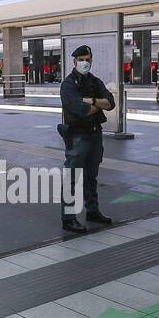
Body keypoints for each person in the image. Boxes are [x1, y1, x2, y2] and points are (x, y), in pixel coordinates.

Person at [59, 44, 115, 233]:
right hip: (77, 135)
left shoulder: (95, 81)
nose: (84, 63)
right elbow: (81, 110)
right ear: (74, 61)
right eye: (81, 60)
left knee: (91, 176)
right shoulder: (68, 85)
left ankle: (92, 211)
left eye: (87, 59)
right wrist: (97, 104)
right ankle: (68, 218)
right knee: (72, 178)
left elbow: (111, 103)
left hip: (94, 134)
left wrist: (90, 100)